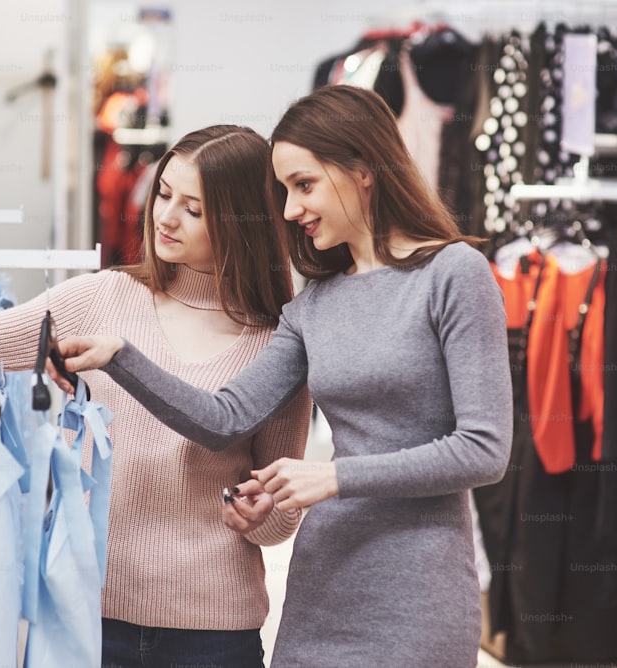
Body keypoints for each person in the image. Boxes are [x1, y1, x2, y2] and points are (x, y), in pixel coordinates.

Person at [0, 124, 313, 667]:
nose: (165, 217)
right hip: (90, 619)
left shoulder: (278, 344)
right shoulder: (105, 296)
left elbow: (281, 515)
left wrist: (259, 515)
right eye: (163, 194)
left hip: (214, 635)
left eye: (193, 209)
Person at [53, 85, 514, 667]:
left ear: (363, 170)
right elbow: (223, 418)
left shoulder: (454, 275)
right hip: (323, 584)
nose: (291, 211)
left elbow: (484, 450)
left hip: (418, 586)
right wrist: (121, 355)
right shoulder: (314, 304)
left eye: (304, 185)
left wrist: (334, 477)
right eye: (285, 192)